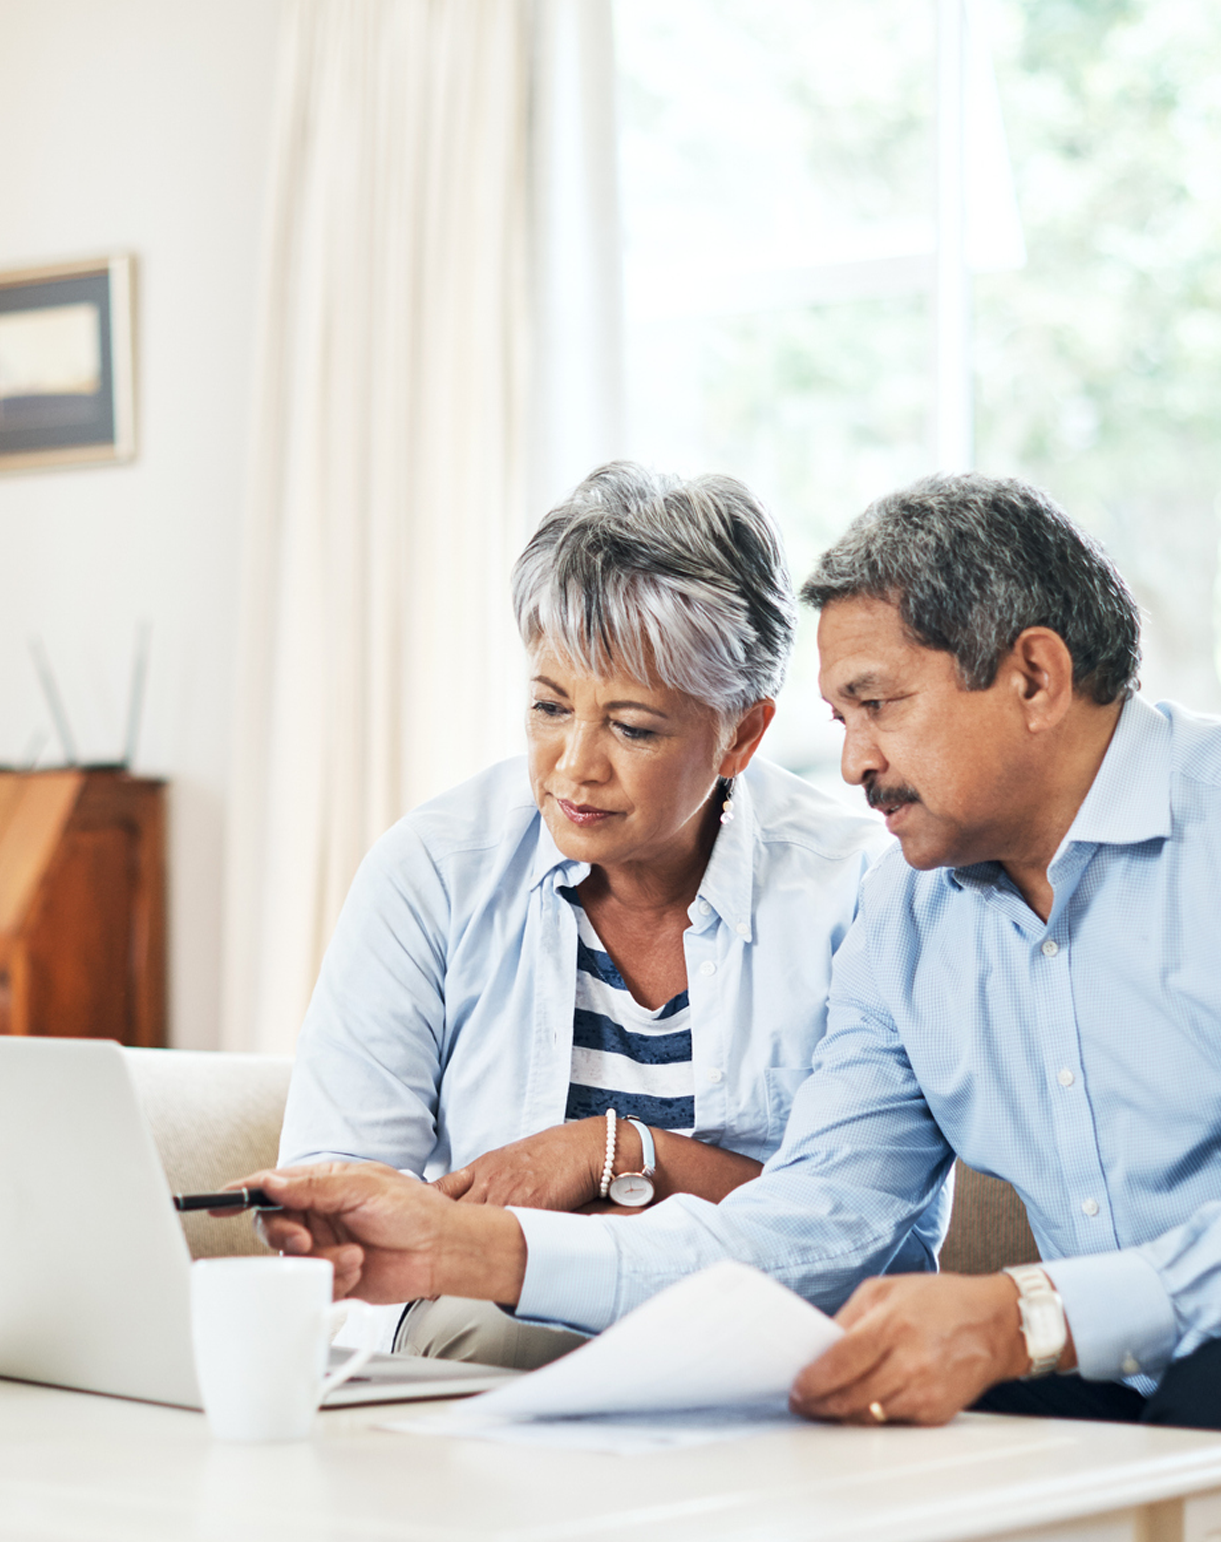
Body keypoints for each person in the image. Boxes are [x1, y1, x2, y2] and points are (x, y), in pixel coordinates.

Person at [248, 475, 1221, 1542]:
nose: (845, 761)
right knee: (874, 1449)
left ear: (1030, 675)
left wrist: (1016, 1314)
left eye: (875, 706)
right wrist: (474, 1247)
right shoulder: (898, 910)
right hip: (1160, 1348)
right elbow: (806, 1233)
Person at [277, 462, 886, 1369]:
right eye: (549, 707)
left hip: (753, 1342)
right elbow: (338, 1197)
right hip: (484, 1342)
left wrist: (615, 1153)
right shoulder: (434, 870)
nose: (573, 767)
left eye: (631, 727)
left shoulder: (854, 892)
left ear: (742, 736)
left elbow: (865, 1232)